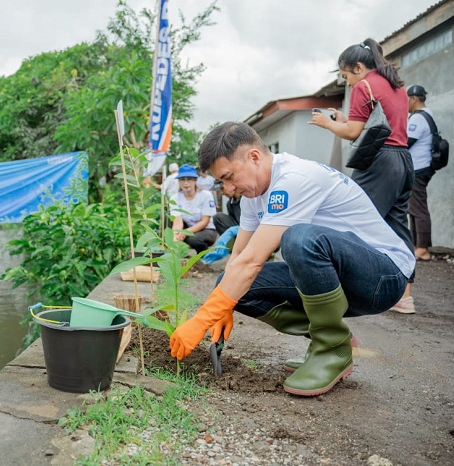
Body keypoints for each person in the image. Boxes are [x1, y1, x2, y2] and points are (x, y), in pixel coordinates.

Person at [169, 122, 414, 397]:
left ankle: (331, 349)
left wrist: (201, 320)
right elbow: (239, 257)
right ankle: (330, 338)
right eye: (221, 182)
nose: (228, 188)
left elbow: (253, 263)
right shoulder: (253, 195)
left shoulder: (296, 178)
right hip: (340, 278)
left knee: (300, 239)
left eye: (229, 177)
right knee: (229, 283)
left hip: (383, 277)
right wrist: (222, 306)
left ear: (253, 156)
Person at [309, 37, 415, 314]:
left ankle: (348, 289)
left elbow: (355, 133)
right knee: (397, 224)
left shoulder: (364, 86)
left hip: (379, 162)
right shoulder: (395, 85)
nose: (348, 83)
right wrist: (344, 119)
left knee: (352, 220)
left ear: (357, 67)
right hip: (403, 160)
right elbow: (379, 123)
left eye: (346, 76)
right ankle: (405, 296)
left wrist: (328, 124)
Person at [406, 85, 435, 262]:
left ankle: (422, 248)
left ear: (414, 99)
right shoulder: (426, 115)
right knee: (413, 208)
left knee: (418, 208)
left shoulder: (419, 118)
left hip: (419, 168)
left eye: (406, 99)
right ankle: (417, 246)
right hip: (420, 167)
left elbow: (406, 141)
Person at [170, 164, 218, 253]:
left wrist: (185, 232)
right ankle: (180, 254)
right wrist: (175, 237)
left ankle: (203, 258)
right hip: (188, 227)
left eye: (189, 179)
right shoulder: (175, 198)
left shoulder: (205, 195)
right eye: (182, 180)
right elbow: (177, 221)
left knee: (194, 240)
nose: (185, 183)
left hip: (206, 229)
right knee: (169, 224)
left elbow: (205, 221)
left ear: (195, 180)